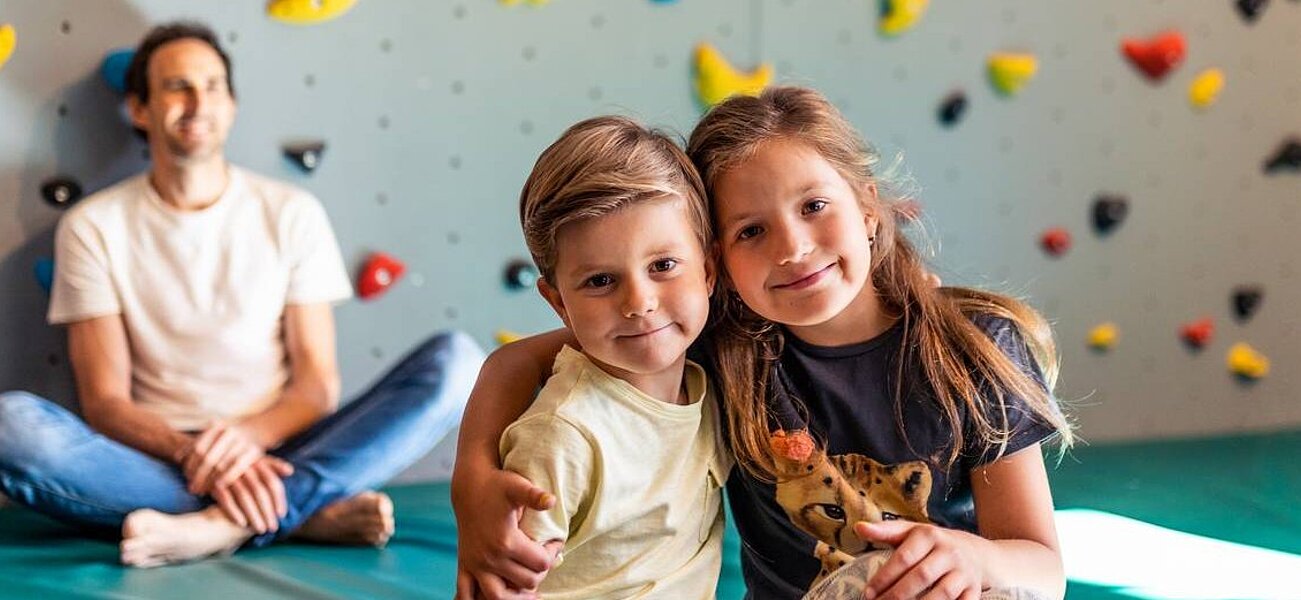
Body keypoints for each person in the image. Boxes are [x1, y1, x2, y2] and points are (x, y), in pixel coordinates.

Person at [452, 86, 1075, 600]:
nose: (792, 248)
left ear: (867, 208)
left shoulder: (970, 350)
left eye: (814, 205)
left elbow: (1043, 568)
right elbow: (516, 359)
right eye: (752, 230)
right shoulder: (726, 341)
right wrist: (472, 479)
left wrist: (972, 557)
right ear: (716, 263)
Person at [0, 21, 484, 568]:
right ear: (141, 109)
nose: (197, 102)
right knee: (10, 426)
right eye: (177, 86)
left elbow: (315, 386)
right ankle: (305, 512)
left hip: (287, 442)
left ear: (230, 106)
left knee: (461, 363)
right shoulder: (93, 226)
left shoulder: (291, 213)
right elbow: (105, 402)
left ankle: (221, 524)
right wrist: (197, 453)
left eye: (212, 86)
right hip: (163, 458)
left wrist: (244, 439)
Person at [493, 115, 727, 598]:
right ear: (558, 303)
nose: (638, 302)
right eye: (600, 281)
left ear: (708, 270)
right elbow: (503, 583)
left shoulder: (715, 381)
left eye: (663, 266)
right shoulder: (563, 435)